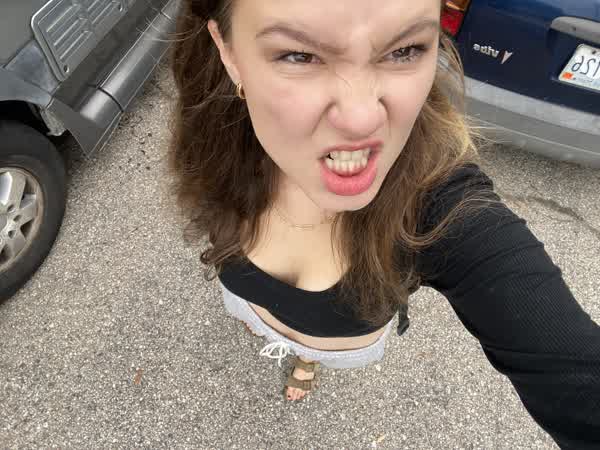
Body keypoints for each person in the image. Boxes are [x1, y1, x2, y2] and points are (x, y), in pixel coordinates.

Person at [166, 0, 600, 447]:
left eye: (404, 50)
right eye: (299, 55)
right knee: (258, 318)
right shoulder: (213, 147)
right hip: (251, 308)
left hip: (335, 342)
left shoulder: (443, 208)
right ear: (227, 49)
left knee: (311, 352)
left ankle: (309, 361)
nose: (362, 120)